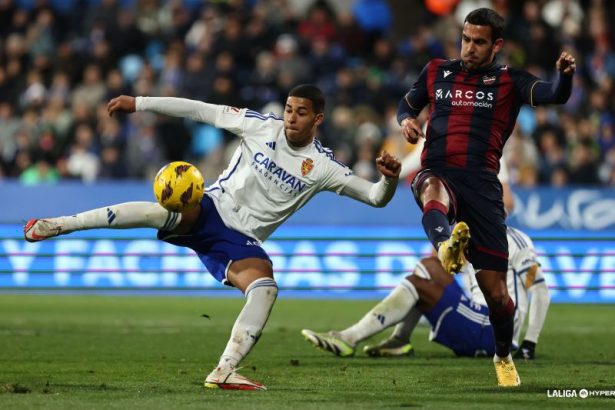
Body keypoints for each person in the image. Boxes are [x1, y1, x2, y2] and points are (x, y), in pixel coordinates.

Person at [23, 84, 402, 391]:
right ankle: (58, 224)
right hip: (211, 209)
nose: (290, 117)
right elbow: (199, 109)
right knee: (165, 208)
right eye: (288, 109)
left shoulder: (323, 167)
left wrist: (389, 179)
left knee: (266, 288)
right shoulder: (259, 125)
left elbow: (374, 198)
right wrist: (139, 102)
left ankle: (224, 370)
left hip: (239, 240)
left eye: (301, 112)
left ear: (317, 118)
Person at [395, 8, 574, 386]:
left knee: (497, 296)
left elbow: (554, 95)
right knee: (430, 188)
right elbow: (407, 106)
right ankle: (446, 244)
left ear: (497, 45)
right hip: (440, 170)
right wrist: (407, 123)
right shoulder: (435, 72)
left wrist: (566, 76)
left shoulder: (510, 81)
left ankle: (503, 355)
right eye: (466, 39)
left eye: (479, 42)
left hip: (483, 188)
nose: (470, 48)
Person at [301, 226, 551, 361]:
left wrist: (529, 343)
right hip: (475, 322)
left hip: (494, 331)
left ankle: (350, 337)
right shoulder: (469, 237)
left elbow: (539, 289)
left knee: (428, 271)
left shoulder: (515, 240)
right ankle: (397, 341)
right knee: (426, 272)